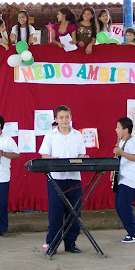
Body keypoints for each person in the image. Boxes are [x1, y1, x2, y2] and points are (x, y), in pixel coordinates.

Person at [38, 105, 86, 253]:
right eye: (61, 117)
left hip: (74, 179)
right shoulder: (50, 136)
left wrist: (80, 160)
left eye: (67, 117)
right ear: (56, 119)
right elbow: (44, 155)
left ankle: (70, 243)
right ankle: (52, 244)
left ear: (71, 118)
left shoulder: (77, 135)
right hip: (56, 179)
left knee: (74, 213)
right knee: (55, 214)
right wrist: (55, 160)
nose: (64, 120)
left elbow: (81, 154)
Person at [113, 117, 135, 243]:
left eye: (118, 127)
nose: (116, 130)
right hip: (122, 178)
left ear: (126, 129)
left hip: (130, 180)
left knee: (123, 206)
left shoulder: (133, 142)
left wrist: (121, 152)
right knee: (119, 205)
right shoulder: (121, 142)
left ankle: (134, 234)